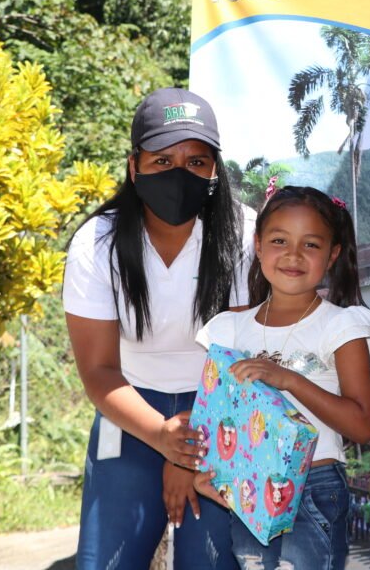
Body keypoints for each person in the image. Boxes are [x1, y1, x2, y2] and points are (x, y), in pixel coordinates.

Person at [63, 88, 251, 569]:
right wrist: (163, 438)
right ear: (134, 167)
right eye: (162, 160)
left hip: (222, 411)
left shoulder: (244, 235)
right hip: (129, 410)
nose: (179, 174)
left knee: (210, 560)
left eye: (197, 162)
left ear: (215, 170)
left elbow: (243, 360)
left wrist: (188, 451)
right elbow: (99, 371)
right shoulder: (97, 243)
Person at [194, 186, 370, 569]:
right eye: (279, 240)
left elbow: (363, 424)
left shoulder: (341, 326)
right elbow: (218, 416)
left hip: (314, 486)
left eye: (311, 245)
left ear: (332, 254)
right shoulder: (230, 328)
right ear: (258, 245)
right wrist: (206, 471)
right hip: (248, 489)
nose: (293, 255)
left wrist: (289, 380)